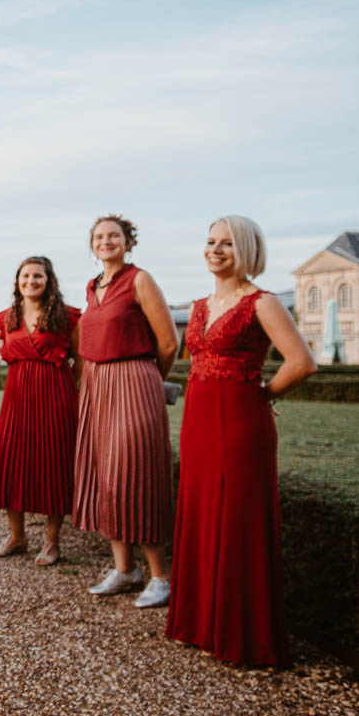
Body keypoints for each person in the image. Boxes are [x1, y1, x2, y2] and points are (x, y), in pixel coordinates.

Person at [166, 216, 316, 666]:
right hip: (198, 420)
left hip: (241, 420)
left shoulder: (263, 303)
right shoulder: (198, 306)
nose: (215, 250)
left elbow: (302, 363)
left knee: (236, 518)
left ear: (247, 249)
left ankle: (238, 632)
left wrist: (263, 393)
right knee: (200, 510)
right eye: (210, 242)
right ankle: (199, 622)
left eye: (227, 244)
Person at [73, 214, 180, 608]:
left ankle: (160, 576)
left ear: (128, 242)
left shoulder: (140, 280)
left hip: (134, 380)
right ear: (92, 245)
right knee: (104, 474)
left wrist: (147, 380)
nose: (106, 242)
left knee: (137, 475)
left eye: (114, 236)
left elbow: (169, 343)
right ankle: (124, 569)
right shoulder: (91, 287)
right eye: (99, 237)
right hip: (97, 386)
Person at [0, 257, 80, 566]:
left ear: (48, 279)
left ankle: (52, 542)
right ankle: (17, 536)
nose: (31, 281)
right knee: (11, 460)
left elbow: (80, 361)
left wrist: (71, 393)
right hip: (17, 397)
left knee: (55, 464)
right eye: (25, 276)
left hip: (56, 396)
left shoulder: (67, 317)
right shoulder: (7, 318)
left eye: (37, 276)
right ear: (17, 281)